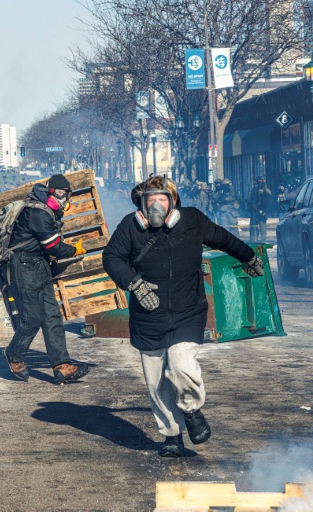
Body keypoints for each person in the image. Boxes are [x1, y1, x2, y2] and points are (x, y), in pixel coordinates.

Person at [102, 175, 263, 457]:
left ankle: (192, 410)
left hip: (187, 312)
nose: (156, 205)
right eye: (150, 200)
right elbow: (111, 258)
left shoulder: (192, 220)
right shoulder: (131, 226)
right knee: (157, 384)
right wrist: (134, 284)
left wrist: (248, 256)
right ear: (142, 204)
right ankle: (171, 436)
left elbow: (223, 238)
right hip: (148, 316)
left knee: (181, 366)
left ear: (173, 202)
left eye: (162, 199)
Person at [0, 174, 91, 385]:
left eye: (65, 194)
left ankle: (62, 366)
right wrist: (73, 249)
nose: (62, 198)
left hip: (39, 267)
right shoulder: (37, 213)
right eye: (58, 193)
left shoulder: (47, 211)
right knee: (32, 317)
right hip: (23, 268)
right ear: (49, 191)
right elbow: (53, 246)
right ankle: (13, 354)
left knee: (52, 317)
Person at [249, 176, 271, 242]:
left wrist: (265, 211)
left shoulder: (266, 190)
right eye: (258, 181)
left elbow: (269, 201)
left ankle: (263, 243)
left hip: (262, 211)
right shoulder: (254, 189)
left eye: (261, 181)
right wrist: (253, 206)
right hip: (254, 211)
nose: (259, 183)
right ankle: (253, 242)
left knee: (262, 229)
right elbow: (249, 199)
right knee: (253, 229)